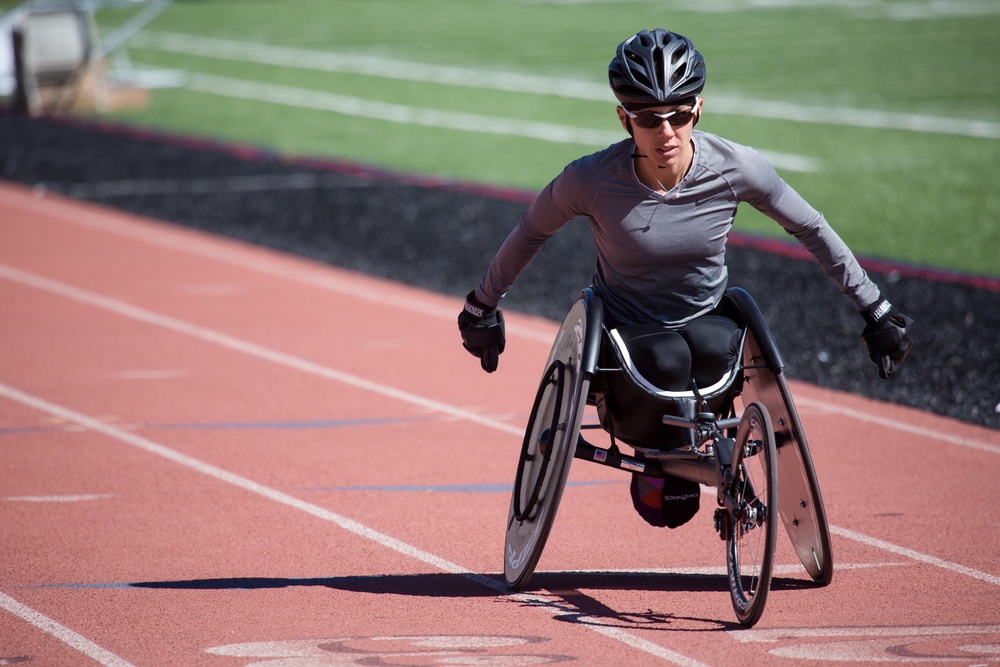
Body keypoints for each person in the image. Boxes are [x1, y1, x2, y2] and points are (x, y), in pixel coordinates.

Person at [458, 29, 912, 527]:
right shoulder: (591, 179)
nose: (666, 132)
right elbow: (530, 232)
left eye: (679, 115)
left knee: (718, 348)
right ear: (623, 117)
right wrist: (482, 305)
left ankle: (707, 454)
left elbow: (810, 227)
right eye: (649, 119)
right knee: (667, 356)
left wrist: (875, 309)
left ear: (698, 110)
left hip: (704, 318)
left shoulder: (737, 168)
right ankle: (660, 461)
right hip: (625, 333)